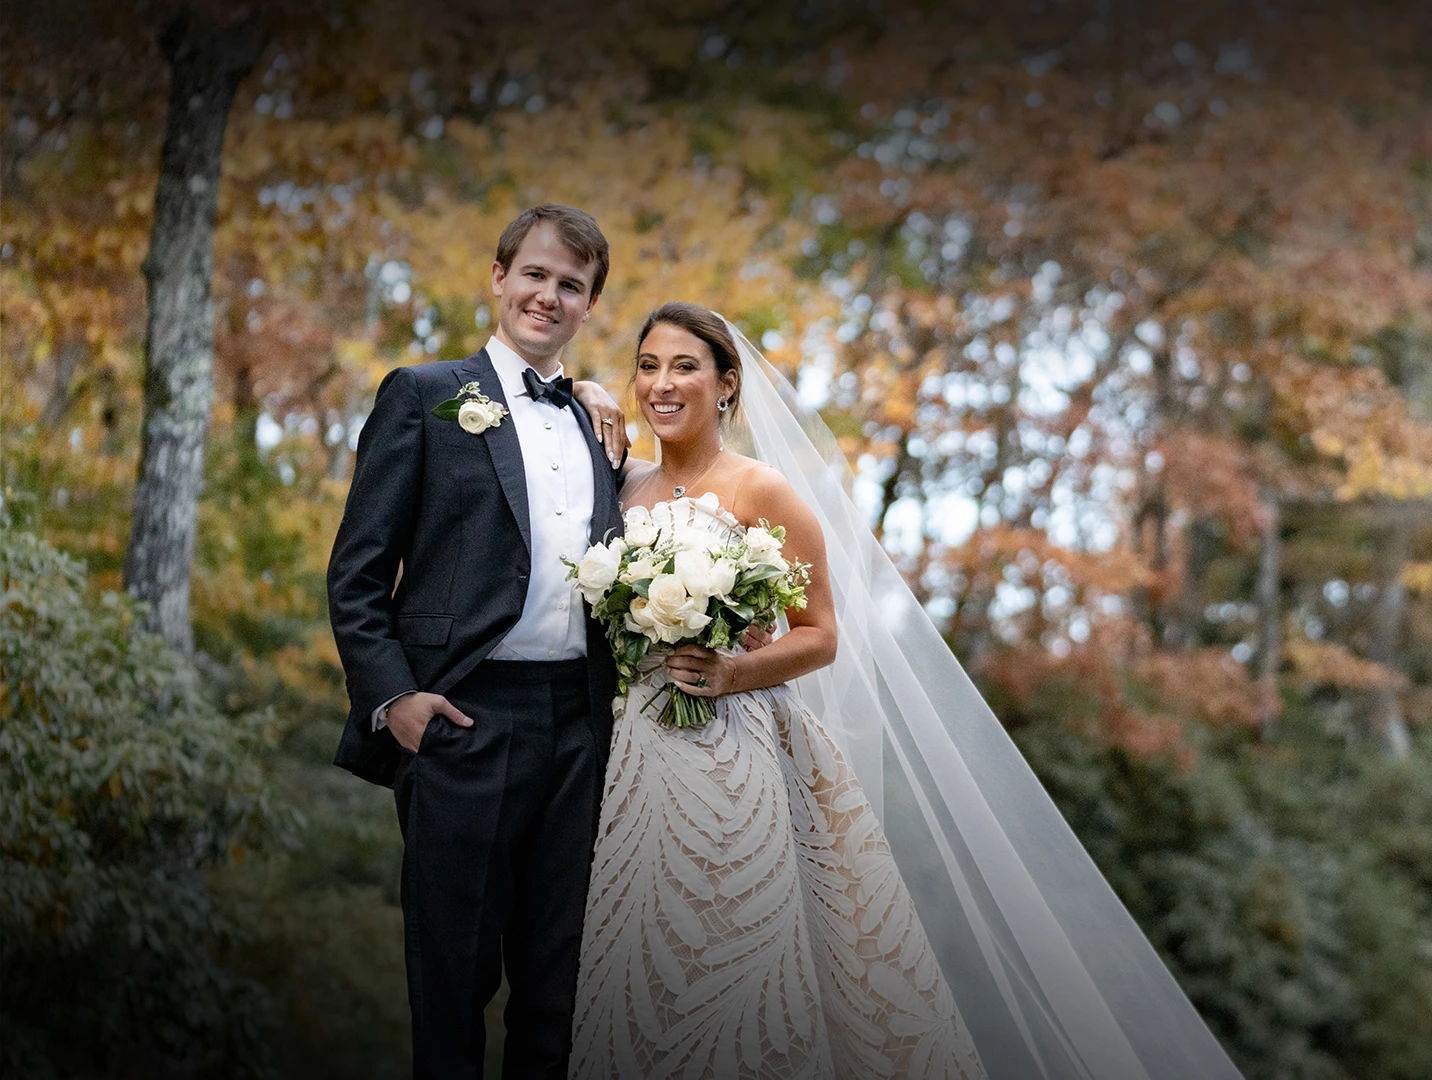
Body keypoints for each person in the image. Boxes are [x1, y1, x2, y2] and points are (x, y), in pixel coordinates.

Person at [568, 303, 1246, 1080]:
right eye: (647, 365)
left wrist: (731, 672)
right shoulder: (620, 485)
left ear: (727, 385)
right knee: (634, 966)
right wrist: (588, 389)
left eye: (684, 366)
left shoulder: (765, 492)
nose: (661, 383)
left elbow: (820, 633)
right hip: (629, 756)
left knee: (723, 965)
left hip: (729, 756)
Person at [327, 204, 632, 1078]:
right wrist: (396, 701)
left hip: (580, 729)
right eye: (534, 274)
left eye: (571, 285)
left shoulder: (598, 424)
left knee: (558, 994)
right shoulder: (424, 397)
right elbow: (356, 574)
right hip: (462, 720)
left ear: (589, 306)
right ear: (499, 278)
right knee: (453, 987)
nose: (548, 294)